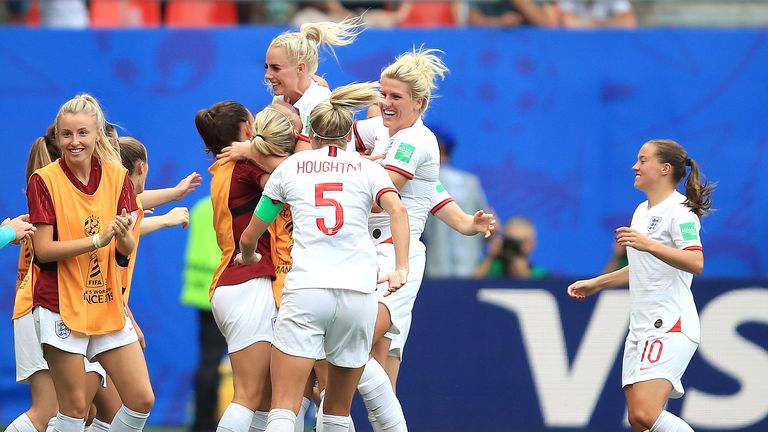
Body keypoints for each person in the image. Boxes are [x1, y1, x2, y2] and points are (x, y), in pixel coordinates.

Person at [233, 82, 409, 432]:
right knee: (337, 412)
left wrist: (249, 255)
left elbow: (251, 233)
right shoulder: (367, 168)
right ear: (347, 136)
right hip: (357, 296)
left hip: (307, 290)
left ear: (310, 133)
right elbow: (397, 210)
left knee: (283, 407)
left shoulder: (291, 168)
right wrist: (400, 268)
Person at [567, 139, 714, 432]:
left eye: (643, 160)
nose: (635, 166)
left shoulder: (680, 211)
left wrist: (647, 244)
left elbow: (695, 261)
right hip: (641, 327)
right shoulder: (641, 212)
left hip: (670, 323)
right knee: (638, 420)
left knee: (647, 414)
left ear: (664, 168)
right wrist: (598, 283)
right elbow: (643, 268)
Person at [27, 94, 154, 432]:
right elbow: (43, 250)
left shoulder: (117, 177)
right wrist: (97, 240)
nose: (74, 142)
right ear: (57, 138)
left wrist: (123, 233)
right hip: (59, 304)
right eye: (67, 135)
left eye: (82, 133)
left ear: (98, 134)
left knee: (141, 399)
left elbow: (125, 248)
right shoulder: (44, 180)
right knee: (74, 409)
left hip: (105, 302)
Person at [195, 101, 277, 432]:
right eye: (255, 124)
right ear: (246, 130)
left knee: (269, 400)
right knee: (248, 394)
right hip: (249, 282)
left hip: (233, 285)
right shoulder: (244, 168)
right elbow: (288, 183)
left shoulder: (223, 171)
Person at [265, 17, 364, 139]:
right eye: (267, 67)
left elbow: (305, 153)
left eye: (275, 68)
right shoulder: (280, 99)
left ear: (300, 69)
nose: (267, 75)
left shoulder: (320, 101)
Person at [182, 195, 228, 432]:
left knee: (208, 362)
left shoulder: (200, 207)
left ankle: (202, 424)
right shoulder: (232, 204)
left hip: (203, 294)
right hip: (229, 291)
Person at [423, 129, 489, 277]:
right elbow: (491, 224)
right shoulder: (471, 182)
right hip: (470, 271)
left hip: (434, 272)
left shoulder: (419, 180)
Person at [474, 216, 548, 279]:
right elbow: (471, 285)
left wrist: (520, 266)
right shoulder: (493, 270)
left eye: (519, 241)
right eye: (509, 240)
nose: (511, 246)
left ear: (531, 244)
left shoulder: (539, 275)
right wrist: (490, 257)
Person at [468, 0, 558, 27]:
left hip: (531, 50)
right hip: (490, 47)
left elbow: (547, 24)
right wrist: (500, 22)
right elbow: (473, 20)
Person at [558, 0, 637, 28]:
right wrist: (597, 25)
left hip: (608, 43)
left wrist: (597, 24)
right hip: (577, 44)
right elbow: (567, 23)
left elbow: (628, 22)